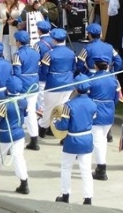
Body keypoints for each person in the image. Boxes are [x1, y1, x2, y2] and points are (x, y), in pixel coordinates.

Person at [53, 74, 97, 205]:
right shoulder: (93, 104)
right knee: (86, 170)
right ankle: (88, 198)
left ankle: (65, 195)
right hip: (87, 139)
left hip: (72, 140)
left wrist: (56, 121)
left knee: (66, 168)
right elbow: (93, 118)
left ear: (76, 88)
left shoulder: (69, 105)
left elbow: (63, 126)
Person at [0, 76, 30, 195]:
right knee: (18, 158)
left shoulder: (4, 104)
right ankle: (24, 182)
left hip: (5, 135)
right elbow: (24, 115)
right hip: (19, 134)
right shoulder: (23, 101)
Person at [38, 28, 76, 138]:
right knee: (62, 108)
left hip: (53, 84)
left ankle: (42, 128)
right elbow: (74, 68)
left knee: (48, 108)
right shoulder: (71, 52)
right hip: (68, 84)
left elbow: (44, 71)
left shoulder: (49, 54)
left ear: (54, 40)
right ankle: (60, 131)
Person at [88, 55, 121, 181]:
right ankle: (100, 166)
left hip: (97, 111)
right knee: (101, 140)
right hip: (109, 111)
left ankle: (101, 169)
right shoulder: (113, 80)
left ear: (95, 66)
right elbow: (117, 97)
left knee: (97, 141)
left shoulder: (92, 80)